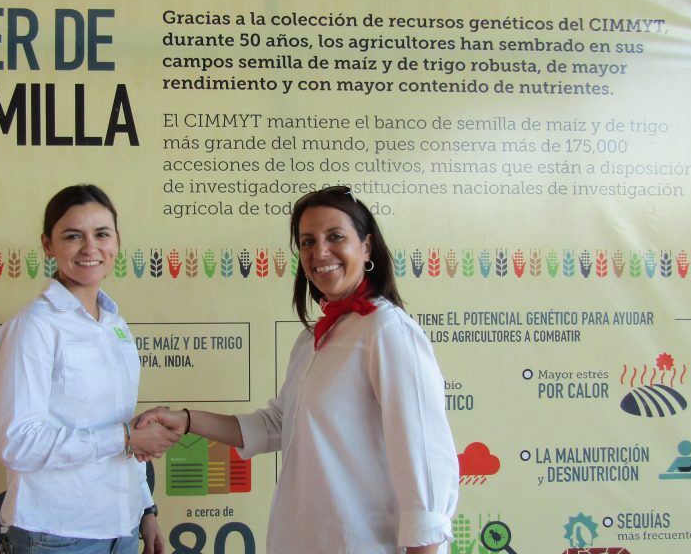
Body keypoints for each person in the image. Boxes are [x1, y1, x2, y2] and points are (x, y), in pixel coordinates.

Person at [138, 185, 459, 554]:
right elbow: (279, 424)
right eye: (307, 242)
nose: (319, 252)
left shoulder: (387, 331)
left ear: (366, 247)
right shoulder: (312, 341)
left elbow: (424, 460)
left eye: (335, 236)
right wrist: (186, 419)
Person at [0, 184, 179, 554]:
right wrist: (125, 437)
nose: (90, 248)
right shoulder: (35, 327)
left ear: (117, 242)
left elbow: (122, 423)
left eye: (101, 234)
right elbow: (19, 443)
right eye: (73, 236)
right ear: (48, 245)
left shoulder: (115, 325)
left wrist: (145, 508)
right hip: (55, 536)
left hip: (121, 530)